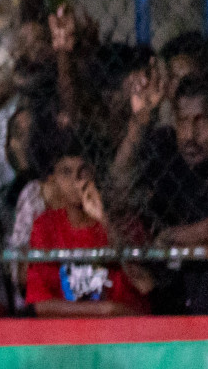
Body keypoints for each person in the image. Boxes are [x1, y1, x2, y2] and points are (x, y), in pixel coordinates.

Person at [112, 68, 208, 314]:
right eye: (183, 121)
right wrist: (140, 121)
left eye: (204, 120)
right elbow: (117, 185)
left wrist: (169, 237)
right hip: (170, 294)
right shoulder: (166, 147)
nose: (190, 135)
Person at [24, 134, 149, 318]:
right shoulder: (45, 225)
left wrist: (104, 220)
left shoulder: (122, 221)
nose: (76, 180)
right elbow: (40, 304)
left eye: (83, 171)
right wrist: (107, 310)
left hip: (122, 332)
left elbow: (144, 285)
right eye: (66, 172)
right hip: (67, 334)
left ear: (95, 174)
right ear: (54, 181)